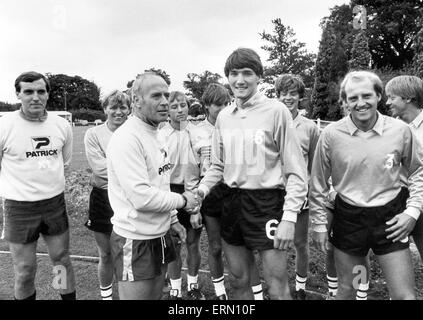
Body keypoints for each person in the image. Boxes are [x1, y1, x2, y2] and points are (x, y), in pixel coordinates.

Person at [196, 48, 308, 300]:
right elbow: (218, 166)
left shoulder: (276, 111)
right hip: (232, 203)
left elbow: (296, 171)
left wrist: (289, 218)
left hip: (267, 204)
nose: (240, 80)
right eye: (234, 74)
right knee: (239, 280)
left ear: (259, 77)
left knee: (277, 285)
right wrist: (200, 191)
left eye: (247, 73)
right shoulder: (224, 117)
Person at [310, 70, 423, 300]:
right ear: (345, 101)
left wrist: (413, 211)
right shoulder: (331, 135)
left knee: (405, 296)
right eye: (353, 98)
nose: (360, 103)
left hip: (390, 221)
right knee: (350, 290)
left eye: (367, 96)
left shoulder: (400, 131)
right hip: (350, 222)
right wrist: (319, 223)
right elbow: (318, 182)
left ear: (378, 96)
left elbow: (418, 171)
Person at [106, 73, 198, 300]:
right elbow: (142, 197)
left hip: (161, 233)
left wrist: (173, 219)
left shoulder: (157, 133)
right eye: (156, 95)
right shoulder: (127, 138)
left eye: (166, 94)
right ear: (136, 100)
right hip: (135, 238)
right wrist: (184, 201)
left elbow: (160, 183)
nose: (165, 101)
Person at [0, 71, 76, 300]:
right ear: (18, 94)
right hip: (19, 208)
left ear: (47, 94)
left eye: (41, 91)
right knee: (25, 271)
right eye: (29, 91)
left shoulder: (61, 126)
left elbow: (65, 164)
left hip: (54, 205)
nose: (35, 97)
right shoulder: (5, 126)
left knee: (60, 260)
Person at [186, 83, 265, 300]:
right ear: (206, 106)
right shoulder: (194, 132)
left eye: (225, 103)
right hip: (210, 192)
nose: (221, 109)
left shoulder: (236, 126)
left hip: (235, 191)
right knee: (215, 247)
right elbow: (192, 171)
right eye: (216, 105)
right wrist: (195, 204)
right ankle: (221, 293)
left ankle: (257, 295)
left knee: (245, 245)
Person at [275, 74, 319, 300]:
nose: (288, 97)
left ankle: (300, 287)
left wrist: (309, 190)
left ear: (300, 97)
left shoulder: (310, 127)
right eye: (284, 93)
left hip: (299, 195)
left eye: (293, 93)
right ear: (278, 95)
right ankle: (278, 286)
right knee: (274, 244)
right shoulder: (270, 121)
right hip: (273, 194)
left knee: (300, 243)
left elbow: (313, 163)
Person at [84, 90, 131, 300]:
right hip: (103, 197)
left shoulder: (135, 132)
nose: (118, 112)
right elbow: (98, 168)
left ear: (129, 109)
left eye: (123, 107)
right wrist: (129, 169)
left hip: (129, 199)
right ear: (105, 109)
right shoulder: (93, 134)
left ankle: (127, 295)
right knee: (105, 253)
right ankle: (106, 296)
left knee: (126, 253)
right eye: (113, 107)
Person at [159, 91, 205, 300]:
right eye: (174, 106)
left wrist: (197, 206)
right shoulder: (161, 134)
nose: (180, 110)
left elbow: (205, 169)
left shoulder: (198, 132)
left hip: (193, 191)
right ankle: (176, 288)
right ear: (167, 110)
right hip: (170, 192)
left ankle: (194, 285)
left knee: (193, 243)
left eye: (183, 105)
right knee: (174, 244)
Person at [386, 75, 423, 261]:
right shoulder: (394, 129)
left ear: (408, 98)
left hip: (419, 204)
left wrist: (415, 211)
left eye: (392, 97)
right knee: (396, 258)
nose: (387, 102)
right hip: (398, 202)